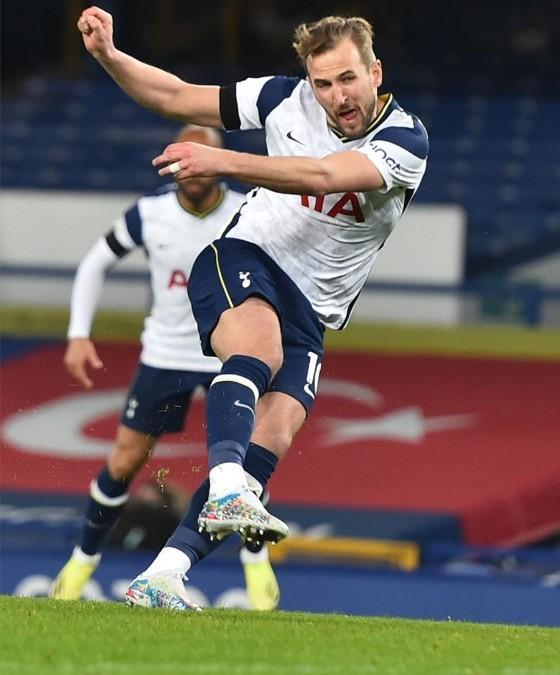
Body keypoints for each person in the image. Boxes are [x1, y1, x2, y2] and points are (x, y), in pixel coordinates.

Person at [77, 7, 428, 610]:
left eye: (348, 79)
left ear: (376, 71)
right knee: (256, 352)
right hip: (246, 257)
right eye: (323, 83)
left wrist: (224, 160)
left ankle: (162, 576)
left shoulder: (404, 141)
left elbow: (321, 175)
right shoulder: (280, 99)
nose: (336, 96)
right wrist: (110, 56)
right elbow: (176, 96)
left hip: (313, 309)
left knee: (273, 434)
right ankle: (225, 486)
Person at [50, 125, 281, 611]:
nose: (191, 169)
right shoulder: (150, 212)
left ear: (220, 162)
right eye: (182, 159)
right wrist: (77, 334)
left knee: (247, 451)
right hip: (166, 353)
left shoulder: (248, 209)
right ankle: (82, 559)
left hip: (228, 350)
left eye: (203, 157)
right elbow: (95, 263)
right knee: (126, 460)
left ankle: (255, 564)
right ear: (169, 162)